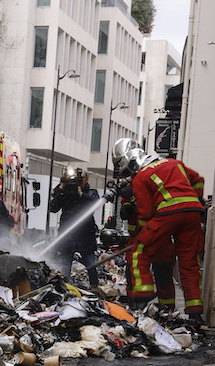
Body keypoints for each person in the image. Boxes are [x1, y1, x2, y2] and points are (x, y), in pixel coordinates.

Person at [113, 138, 205, 321]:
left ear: (132, 165)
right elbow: (198, 180)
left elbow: (146, 213)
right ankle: (195, 313)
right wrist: (196, 200)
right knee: (189, 262)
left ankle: (141, 299)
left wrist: (145, 231)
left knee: (139, 252)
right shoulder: (175, 163)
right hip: (193, 213)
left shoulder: (141, 177)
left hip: (168, 214)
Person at [49, 166, 100, 287]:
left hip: (85, 237)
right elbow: (53, 208)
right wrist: (61, 190)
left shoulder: (90, 193)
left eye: (79, 178)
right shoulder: (63, 191)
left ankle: (95, 287)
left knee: (91, 265)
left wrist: (81, 194)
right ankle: (64, 289)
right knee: (65, 267)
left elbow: (96, 203)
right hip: (68, 237)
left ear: (86, 180)